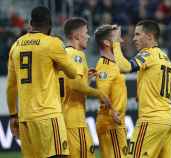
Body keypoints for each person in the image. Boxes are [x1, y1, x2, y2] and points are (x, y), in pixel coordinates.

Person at [6, 6, 77, 158]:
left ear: (30, 23)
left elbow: (11, 86)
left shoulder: (16, 46)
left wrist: (13, 115)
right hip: (48, 116)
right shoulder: (52, 43)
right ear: (50, 26)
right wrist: (59, 64)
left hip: (25, 119)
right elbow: (72, 73)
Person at [112, 20, 171, 158]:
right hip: (169, 120)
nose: (134, 38)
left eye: (137, 34)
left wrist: (116, 43)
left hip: (151, 120)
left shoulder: (148, 54)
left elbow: (124, 67)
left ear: (149, 36)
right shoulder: (166, 58)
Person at [59, 17, 111, 158]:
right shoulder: (76, 55)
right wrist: (99, 93)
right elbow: (76, 85)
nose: (88, 36)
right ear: (76, 35)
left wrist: (86, 80)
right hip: (75, 121)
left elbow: (71, 85)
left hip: (64, 119)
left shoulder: (63, 54)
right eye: (85, 32)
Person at [93, 24, 128, 158]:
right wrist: (113, 111)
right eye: (118, 38)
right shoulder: (104, 65)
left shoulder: (113, 64)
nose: (122, 41)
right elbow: (102, 93)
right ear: (107, 43)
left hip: (116, 121)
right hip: (110, 122)